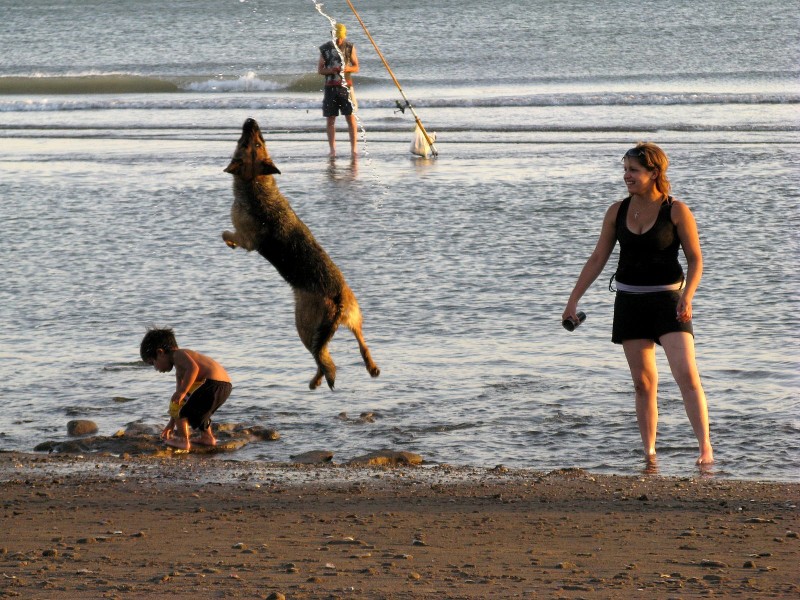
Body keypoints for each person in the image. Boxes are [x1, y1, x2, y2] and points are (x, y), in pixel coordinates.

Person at [562, 142, 714, 466]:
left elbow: (696, 259)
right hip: (629, 302)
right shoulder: (617, 211)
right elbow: (598, 257)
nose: (626, 176)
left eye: (633, 170)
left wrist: (688, 296)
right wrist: (573, 299)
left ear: (654, 173)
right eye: (625, 170)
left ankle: (705, 448)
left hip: (669, 302)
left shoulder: (676, 210)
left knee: (686, 375)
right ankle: (650, 453)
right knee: (644, 383)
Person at [140, 327, 232, 450]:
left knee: (181, 403)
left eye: (153, 363)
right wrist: (171, 423)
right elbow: (178, 402)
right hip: (224, 386)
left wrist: (183, 391)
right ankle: (207, 437)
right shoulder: (180, 369)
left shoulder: (178, 354)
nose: (156, 368)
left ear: (160, 352)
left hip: (212, 384)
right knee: (196, 411)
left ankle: (183, 440)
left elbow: (194, 369)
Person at [317, 22, 359, 157]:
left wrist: (346, 68)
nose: (338, 40)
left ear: (344, 36)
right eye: (336, 37)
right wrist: (331, 70)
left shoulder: (350, 47)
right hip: (330, 87)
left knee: (350, 117)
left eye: (340, 37)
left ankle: (354, 149)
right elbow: (320, 70)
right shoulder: (325, 49)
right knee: (330, 119)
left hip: (346, 87)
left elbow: (356, 66)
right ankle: (332, 150)